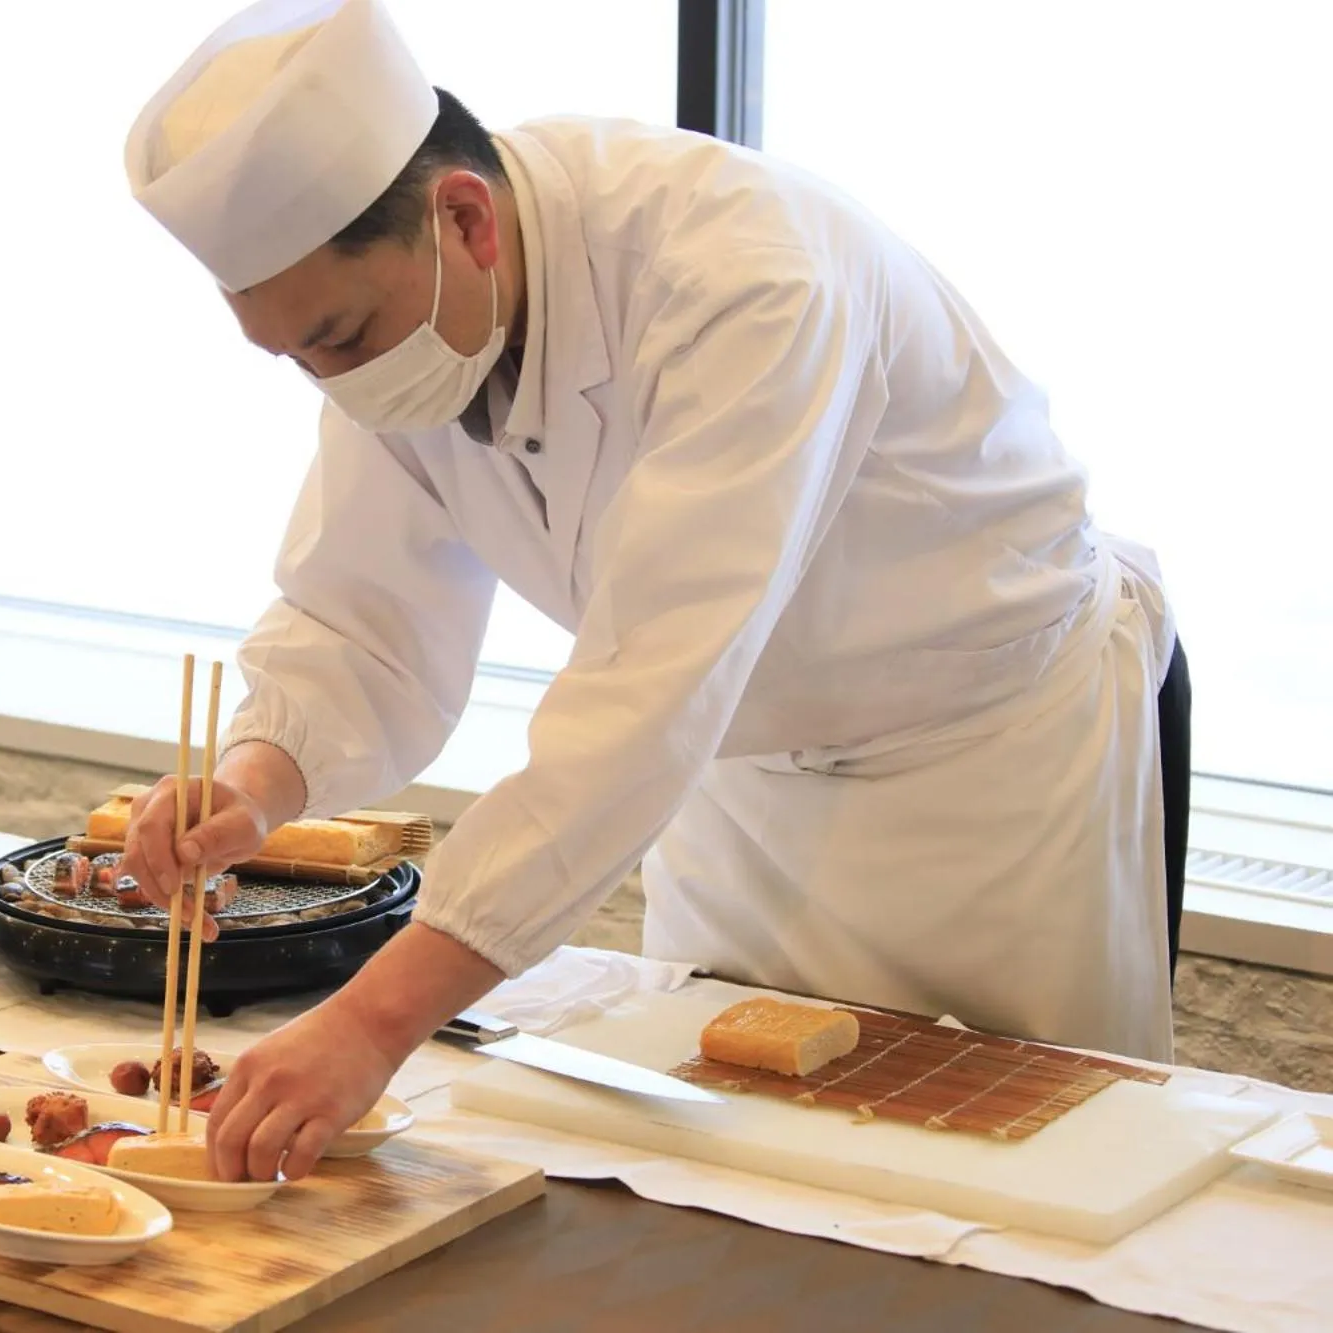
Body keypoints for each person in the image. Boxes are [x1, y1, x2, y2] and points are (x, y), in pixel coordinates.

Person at [114, 0, 1192, 1184]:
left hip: (987, 770)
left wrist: (374, 1021)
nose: (333, 383)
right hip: (735, 786)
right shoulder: (402, 333)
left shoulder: (743, 276)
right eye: (296, 359)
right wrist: (254, 786)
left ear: (463, 219)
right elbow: (357, 618)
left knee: (1008, 1193)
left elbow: (644, 690)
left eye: (338, 337)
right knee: (715, 1180)